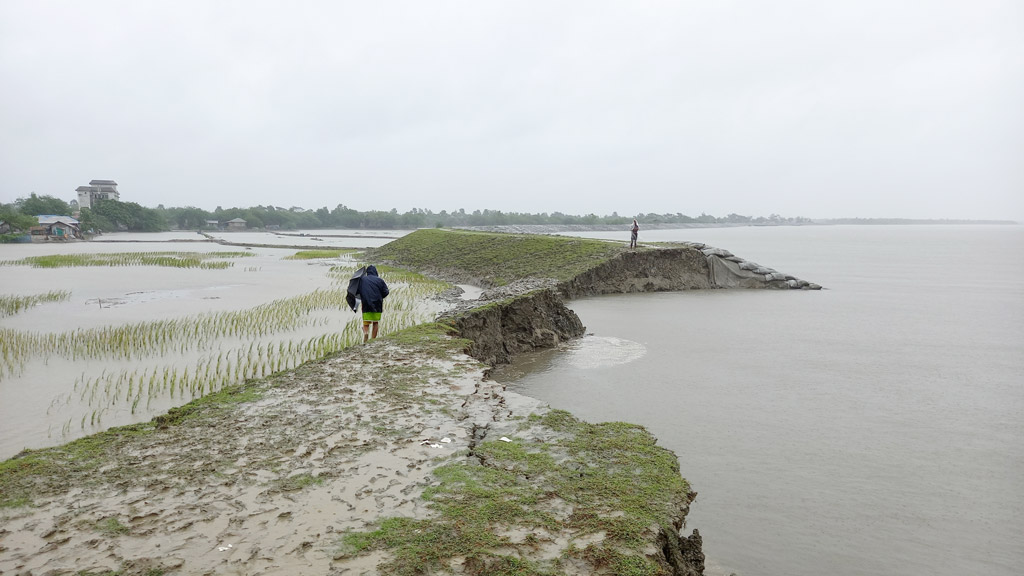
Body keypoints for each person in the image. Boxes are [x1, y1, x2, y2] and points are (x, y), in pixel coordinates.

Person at [355, 264, 389, 342]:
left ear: (367, 272)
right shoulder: (380, 280)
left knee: (366, 322)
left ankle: (366, 333)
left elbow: (357, 291)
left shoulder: (362, 280)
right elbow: (386, 292)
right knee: (375, 323)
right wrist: (380, 297)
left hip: (366, 303)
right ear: (375, 272)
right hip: (377, 304)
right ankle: (373, 339)